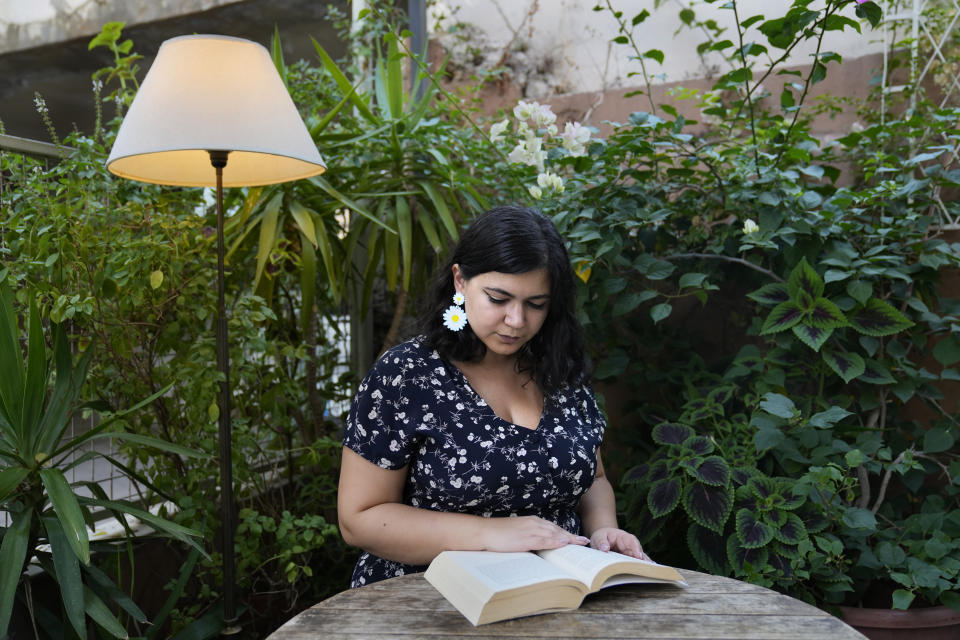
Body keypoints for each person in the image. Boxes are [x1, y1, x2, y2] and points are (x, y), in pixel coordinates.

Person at [337, 205, 647, 588]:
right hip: (428, 598)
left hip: (557, 595)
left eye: (536, 304)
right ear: (460, 281)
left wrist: (604, 531)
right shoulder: (406, 375)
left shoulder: (558, 371)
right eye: (498, 299)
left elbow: (593, 478)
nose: (516, 321)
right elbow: (359, 518)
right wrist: (490, 534)